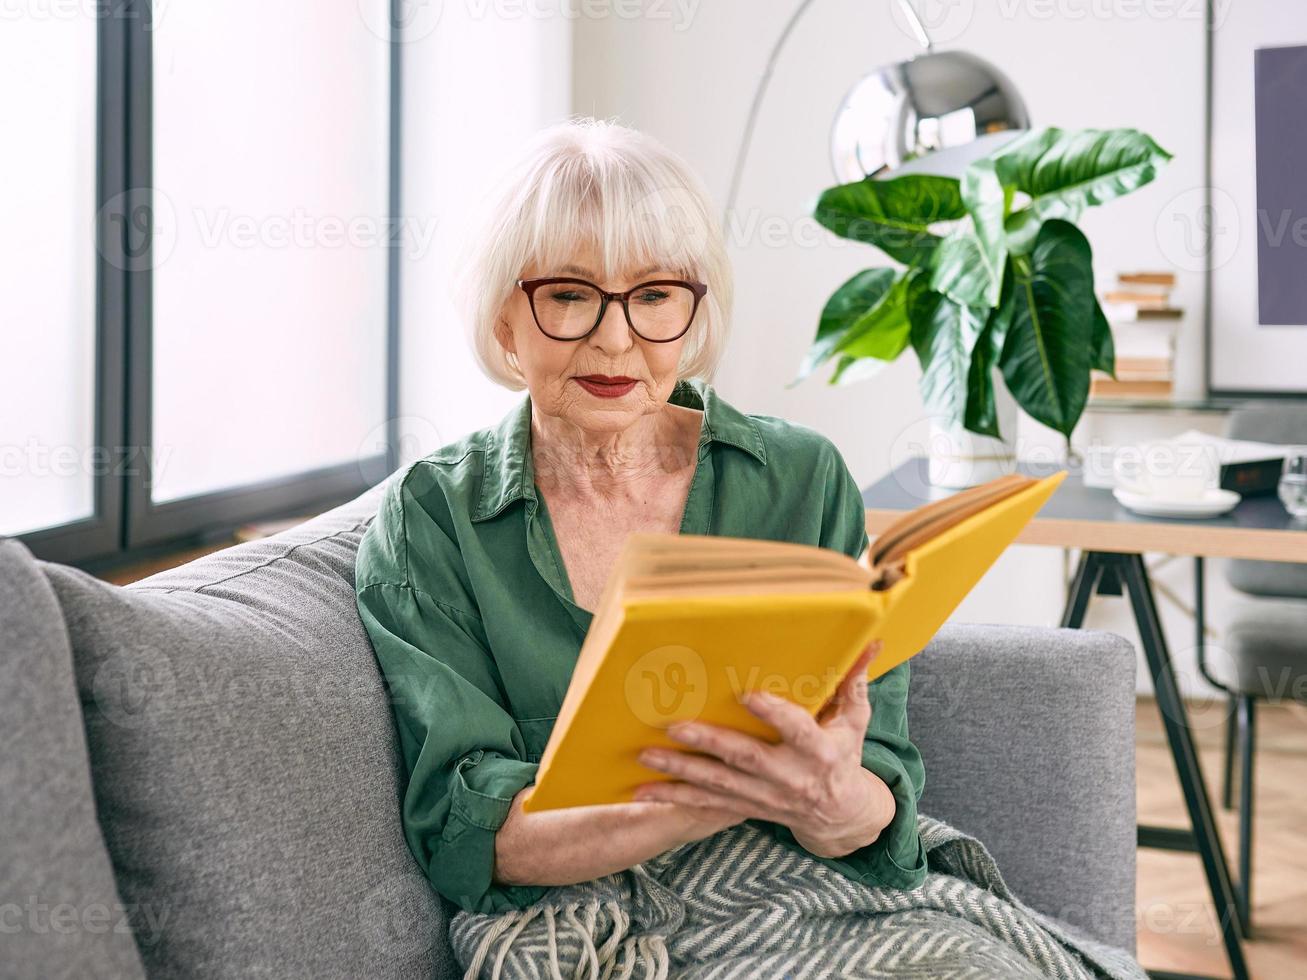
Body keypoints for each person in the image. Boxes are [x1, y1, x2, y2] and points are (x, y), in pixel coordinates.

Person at [354, 116, 1147, 980]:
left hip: (804, 879)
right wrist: (709, 798)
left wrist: (833, 798)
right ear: (503, 316)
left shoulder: (798, 478)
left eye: (655, 295)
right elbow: (472, 838)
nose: (616, 339)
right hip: (575, 907)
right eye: (570, 294)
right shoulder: (433, 516)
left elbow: (874, 787)